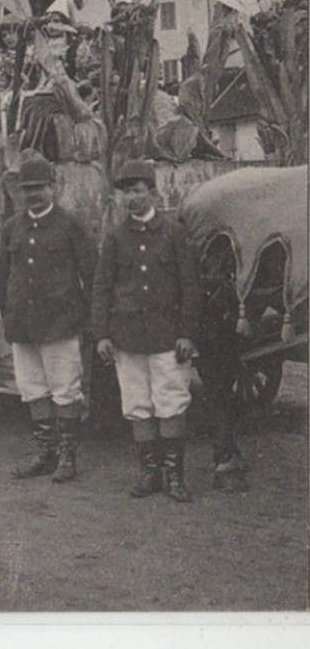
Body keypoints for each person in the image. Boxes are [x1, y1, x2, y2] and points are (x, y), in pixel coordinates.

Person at [91, 160, 200, 502]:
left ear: (153, 193)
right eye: (125, 192)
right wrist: (102, 335)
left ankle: (174, 476)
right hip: (127, 338)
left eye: (137, 191)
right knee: (137, 404)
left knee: (171, 401)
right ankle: (149, 473)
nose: (131, 199)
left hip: (167, 337)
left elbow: (190, 287)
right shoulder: (115, 237)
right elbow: (102, 287)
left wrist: (187, 332)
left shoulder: (173, 233)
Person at [0, 155, 97, 482]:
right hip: (23, 324)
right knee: (33, 390)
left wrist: (85, 322)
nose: (32, 195)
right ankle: (46, 453)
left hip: (60, 323)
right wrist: (8, 317)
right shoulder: (12, 227)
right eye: (26, 189)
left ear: (53, 187)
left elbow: (91, 276)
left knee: (66, 391)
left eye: (39, 188)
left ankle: (68, 457)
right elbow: (4, 279)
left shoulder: (71, 225)